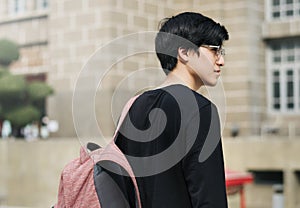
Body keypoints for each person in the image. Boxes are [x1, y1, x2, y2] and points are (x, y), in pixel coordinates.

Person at [107, 12, 229, 208]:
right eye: (215, 50)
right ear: (184, 53)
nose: (221, 61)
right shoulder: (200, 109)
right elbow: (210, 199)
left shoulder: (133, 107)